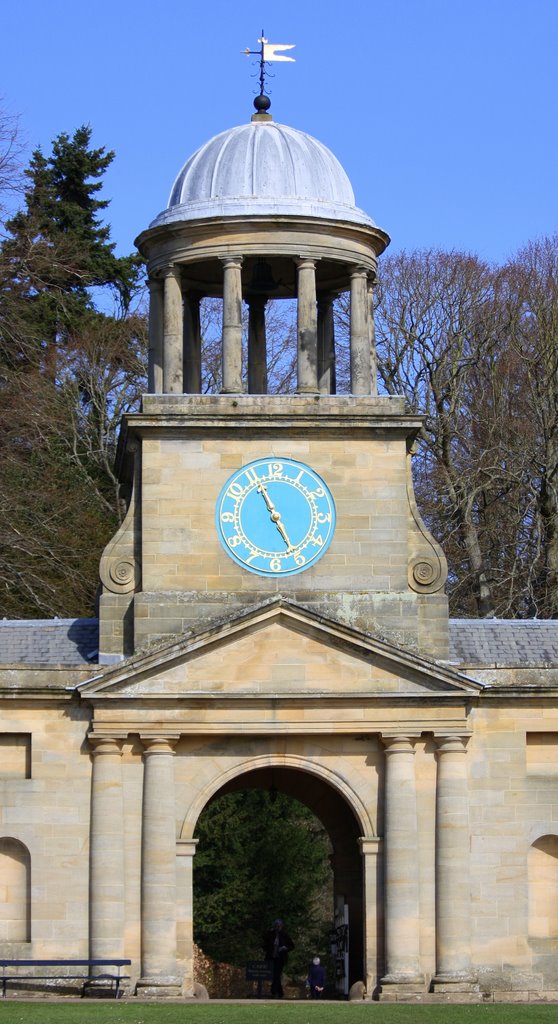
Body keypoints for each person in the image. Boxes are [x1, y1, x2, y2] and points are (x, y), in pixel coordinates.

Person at [262, 918, 294, 998]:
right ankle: (280, 992)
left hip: (280, 958)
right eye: (276, 925)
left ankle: (274, 991)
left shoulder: (284, 935)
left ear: (282, 926)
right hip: (271, 957)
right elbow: (264, 943)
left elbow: (292, 946)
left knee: (277, 974)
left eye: (279, 926)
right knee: (274, 975)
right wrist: (268, 948)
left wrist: (285, 948)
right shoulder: (270, 934)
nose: (278, 927)